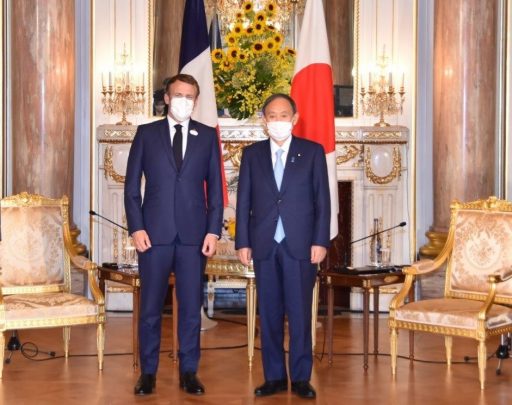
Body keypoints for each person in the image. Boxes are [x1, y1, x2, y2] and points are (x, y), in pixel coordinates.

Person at [124, 73, 223, 396]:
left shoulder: (207, 136)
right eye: (178, 94)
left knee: (191, 305)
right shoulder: (147, 134)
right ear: (166, 98)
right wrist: (136, 227)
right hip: (153, 235)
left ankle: (189, 370)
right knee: (151, 307)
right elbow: (131, 188)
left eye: (190, 96)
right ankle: (148, 372)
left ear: (196, 100)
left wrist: (213, 230)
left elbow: (217, 192)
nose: (184, 100)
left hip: (194, 237)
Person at [235, 94, 330, 399]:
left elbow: (322, 202)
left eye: (283, 115)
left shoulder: (312, 152)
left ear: (295, 117)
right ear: (264, 120)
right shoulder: (252, 155)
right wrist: (243, 242)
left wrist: (320, 241)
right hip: (264, 245)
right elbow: (244, 202)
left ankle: (301, 377)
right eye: (272, 115)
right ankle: (274, 376)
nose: (277, 120)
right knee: (270, 313)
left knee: (300, 314)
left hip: (300, 245)